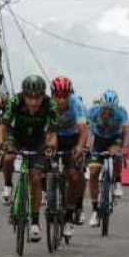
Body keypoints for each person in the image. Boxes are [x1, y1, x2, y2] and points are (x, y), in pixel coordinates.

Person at [0, 75, 59, 242]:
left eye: (37, 98)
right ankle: (8, 185)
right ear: (23, 95)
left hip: (38, 140)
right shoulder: (15, 101)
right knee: (9, 157)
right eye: (29, 98)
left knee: (36, 177)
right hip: (16, 135)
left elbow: (53, 134)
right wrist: (3, 144)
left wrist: (50, 147)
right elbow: (2, 127)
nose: (33, 102)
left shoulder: (50, 104)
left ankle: (34, 222)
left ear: (43, 96)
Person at [50, 76, 88, 239]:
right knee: (43, 162)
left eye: (65, 95)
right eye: (57, 95)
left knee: (74, 175)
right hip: (56, 137)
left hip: (73, 138)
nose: (61, 99)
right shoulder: (48, 104)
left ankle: (69, 216)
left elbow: (83, 130)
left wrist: (80, 147)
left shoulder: (76, 104)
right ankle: (48, 192)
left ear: (70, 95)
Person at [86, 89, 129, 227]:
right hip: (99, 140)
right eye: (105, 109)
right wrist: (87, 146)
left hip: (114, 139)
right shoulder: (93, 111)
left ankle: (117, 181)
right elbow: (87, 130)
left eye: (111, 110)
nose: (107, 112)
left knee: (116, 154)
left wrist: (125, 148)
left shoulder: (121, 112)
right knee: (93, 172)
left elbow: (127, 131)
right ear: (101, 106)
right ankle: (94, 211)